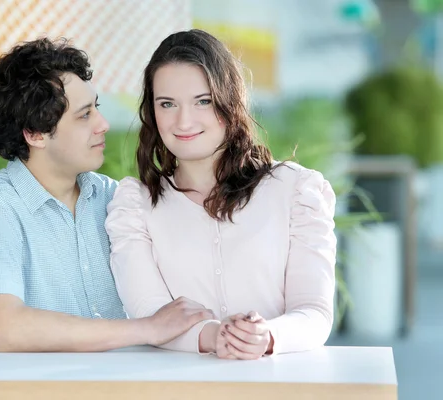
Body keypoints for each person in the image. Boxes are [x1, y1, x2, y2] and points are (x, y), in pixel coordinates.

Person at [0, 36, 214, 352]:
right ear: (35, 134)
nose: (103, 124)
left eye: (97, 108)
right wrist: (146, 329)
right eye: (84, 115)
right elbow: (8, 329)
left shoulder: (114, 198)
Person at [105, 29, 337, 360]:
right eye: (167, 104)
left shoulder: (296, 191)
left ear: (230, 101)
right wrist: (216, 337)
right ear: (152, 112)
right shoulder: (134, 205)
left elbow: (314, 312)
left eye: (203, 101)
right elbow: (149, 314)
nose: (184, 121)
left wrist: (266, 336)